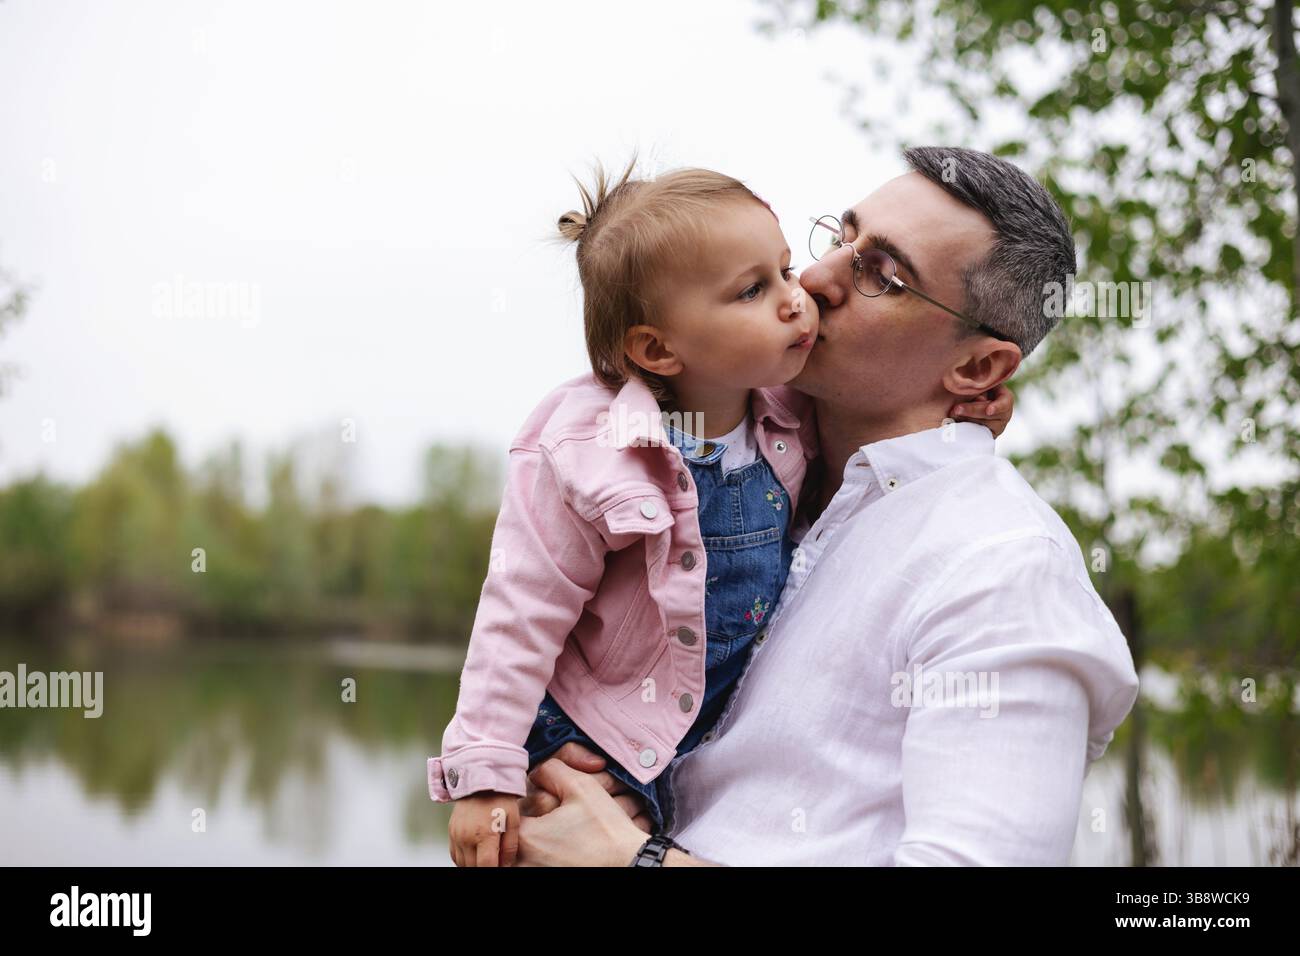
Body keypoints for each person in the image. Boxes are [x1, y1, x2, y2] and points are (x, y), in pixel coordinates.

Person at [513, 147, 1141, 867]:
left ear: (976, 368)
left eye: (881, 274)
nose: (814, 280)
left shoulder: (1003, 569)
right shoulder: (760, 482)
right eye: (842, 238)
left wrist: (630, 861)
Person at [426, 160, 1013, 866]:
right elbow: (519, 613)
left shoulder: (784, 419)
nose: (801, 296)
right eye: (751, 290)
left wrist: (958, 416)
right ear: (657, 348)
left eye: (785, 271)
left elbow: (891, 414)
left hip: (675, 759)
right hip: (587, 735)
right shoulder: (592, 449)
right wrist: (484, 772)